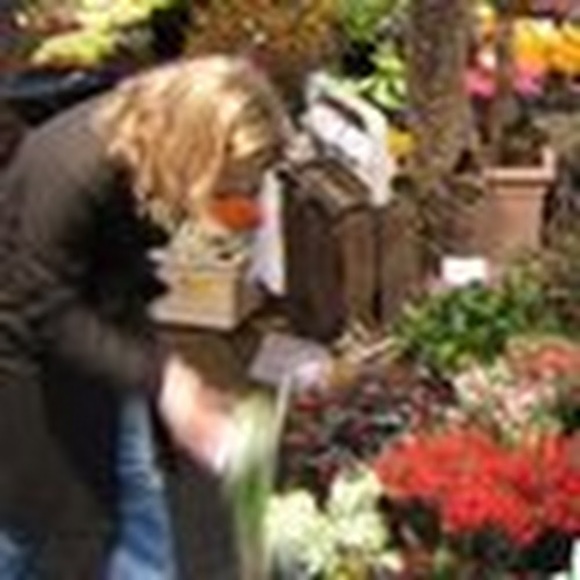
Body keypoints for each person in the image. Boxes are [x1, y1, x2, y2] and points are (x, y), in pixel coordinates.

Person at [0, 55, 290, 579]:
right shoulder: (70, 171)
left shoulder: (149, 148)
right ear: (197, 148)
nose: (238, 200)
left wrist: (163, 378)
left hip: (101, 330)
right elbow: (45, 308)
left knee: (134, 484)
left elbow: (113, 272)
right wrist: (164, 380)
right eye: (228, 185)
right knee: (28, 522)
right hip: (25, 362)